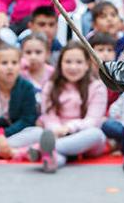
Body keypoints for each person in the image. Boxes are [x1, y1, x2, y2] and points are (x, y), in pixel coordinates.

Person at [24, 43, 109, 171]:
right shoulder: (50, 86)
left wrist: (69, 128)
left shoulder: (97, 87)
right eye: (68, 62)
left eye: (79, 62)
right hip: (58, 134)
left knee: (96, 134)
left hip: (84, 137)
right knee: (36, 132)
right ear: (60, 64)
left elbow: (93, 120)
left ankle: (40, 149)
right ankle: (51, 160)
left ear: (87, 65)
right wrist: (57, 129)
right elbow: (48, 116)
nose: (73, 67)